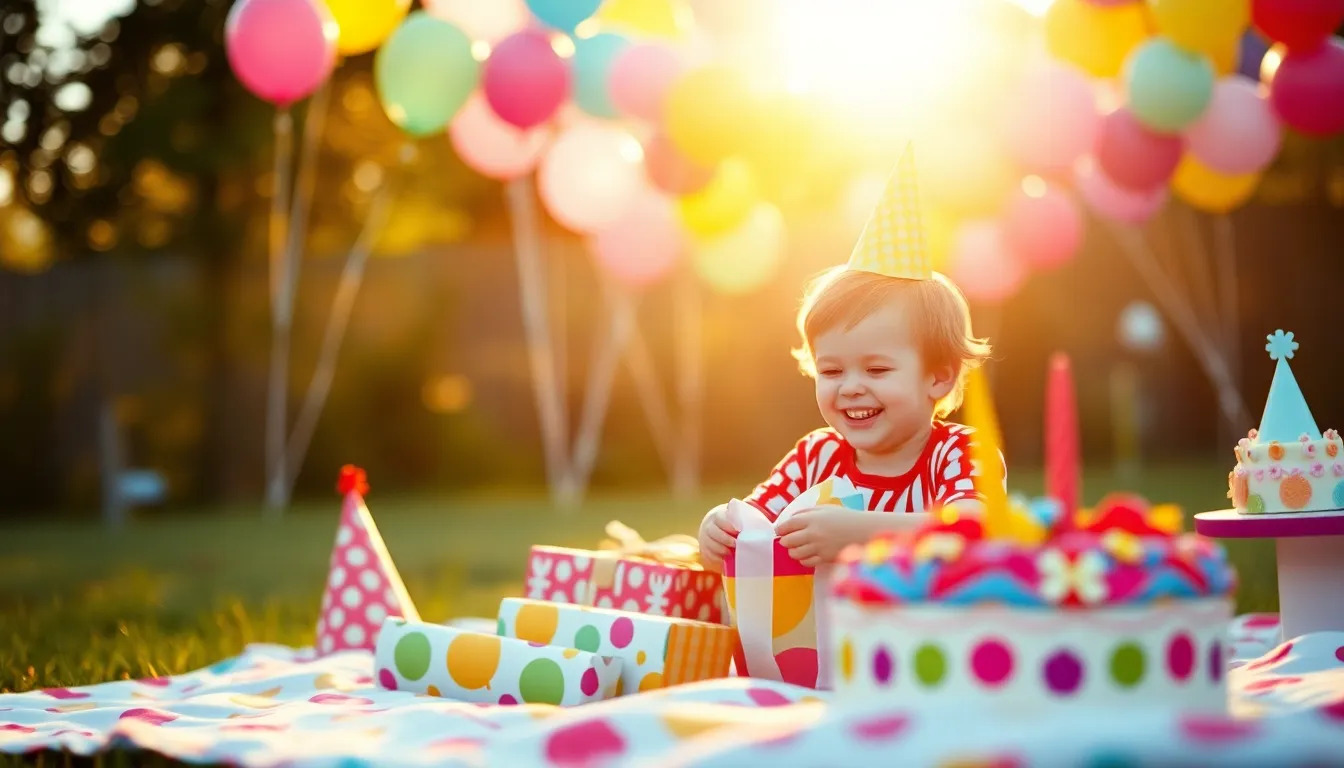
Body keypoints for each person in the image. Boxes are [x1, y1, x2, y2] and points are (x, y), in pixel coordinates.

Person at [697, 145, 1005, 572]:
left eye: (877, 369)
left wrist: (859, 532)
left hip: (923, 635)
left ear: (938, 377)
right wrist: (719, 528)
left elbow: (976, 530)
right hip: (826, 638)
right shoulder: (816, 457)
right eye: (831, 370)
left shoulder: (956, 451)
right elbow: (754, 524)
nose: (851, 385)